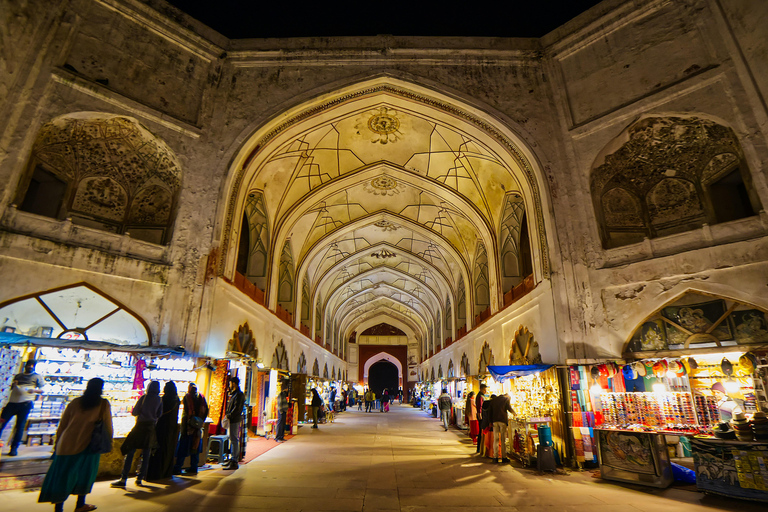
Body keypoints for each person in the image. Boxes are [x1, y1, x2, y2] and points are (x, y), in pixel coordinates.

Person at [38, 378, 112, 512]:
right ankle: (79, 504)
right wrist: (108, 443)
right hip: (89, 446)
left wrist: (57, 443)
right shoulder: (103, 404)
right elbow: (108, 427)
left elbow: (63, 424)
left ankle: (58, 507)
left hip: (66, 444)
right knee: (85, 474)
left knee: (62, 476)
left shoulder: (76, 402)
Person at [112, 380, 163, 487]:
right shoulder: (159, 400)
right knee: (146, 454)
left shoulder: (144, 398)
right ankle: (140, 478)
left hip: (140, 427)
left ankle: (123, 478)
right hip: (150, 428)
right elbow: (159, 414)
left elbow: (134, 412)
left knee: (130, 451)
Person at [1, 359, 45, 456]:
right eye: (29, 365)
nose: (30, 366)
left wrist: (33, 391)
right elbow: (11, 388)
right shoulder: (18, 376)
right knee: (1, 423)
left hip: (25, 404)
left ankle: (14, 448)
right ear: (26, 365)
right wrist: (14, 385)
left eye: (32, 365)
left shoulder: (37, 377)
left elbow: (42, 390)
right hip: (12, 403)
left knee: (20, 427)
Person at [146, 381, 180, 481]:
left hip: (162, 427)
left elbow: (159, 413)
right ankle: (166, 472)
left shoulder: (164, 399)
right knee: (168, 450)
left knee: (158, 450)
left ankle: (156, 473)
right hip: (172, 428)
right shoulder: (176, 399)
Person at [173, 383, 208, 475]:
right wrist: (200, 421)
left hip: (188, 426)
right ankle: (193, 467)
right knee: (195, 447)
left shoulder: (187, 398)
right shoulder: (201, 397)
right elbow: (206, 410)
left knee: (183, 448)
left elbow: (186, 412)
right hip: (197, 427)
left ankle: (178, 467)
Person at [224, 376, 245, 470]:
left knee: (234, 440)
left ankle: (234, 460)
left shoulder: (239, 395)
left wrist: (230, 415)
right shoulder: (235, 394)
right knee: (232, 439)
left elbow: (237, 408)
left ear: (234, 384)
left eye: (230, 383)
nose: (229, 385)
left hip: (234, 419)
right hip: (233, 419)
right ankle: (232, 459)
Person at [489, 392, 515, 463]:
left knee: (496, 439)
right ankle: (504, 457)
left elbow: (490, 411)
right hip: (502, 421)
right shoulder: (506, 399)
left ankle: (495, 457)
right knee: (503, 439)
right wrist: (514, 413)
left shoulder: (494, 400)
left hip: (495, 421)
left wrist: (490, 422)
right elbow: (509, 408)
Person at [474, 384, 487, 454]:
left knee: (481, 432)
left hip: (481, 416)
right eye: (485, 389)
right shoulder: (480, 396)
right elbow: (479, 407)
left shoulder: (480, 396)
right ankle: (479, 448)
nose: (486, 391)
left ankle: (480, 448)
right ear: (481, 389)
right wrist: (480, 416)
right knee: (480, 432)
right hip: (481, 417)